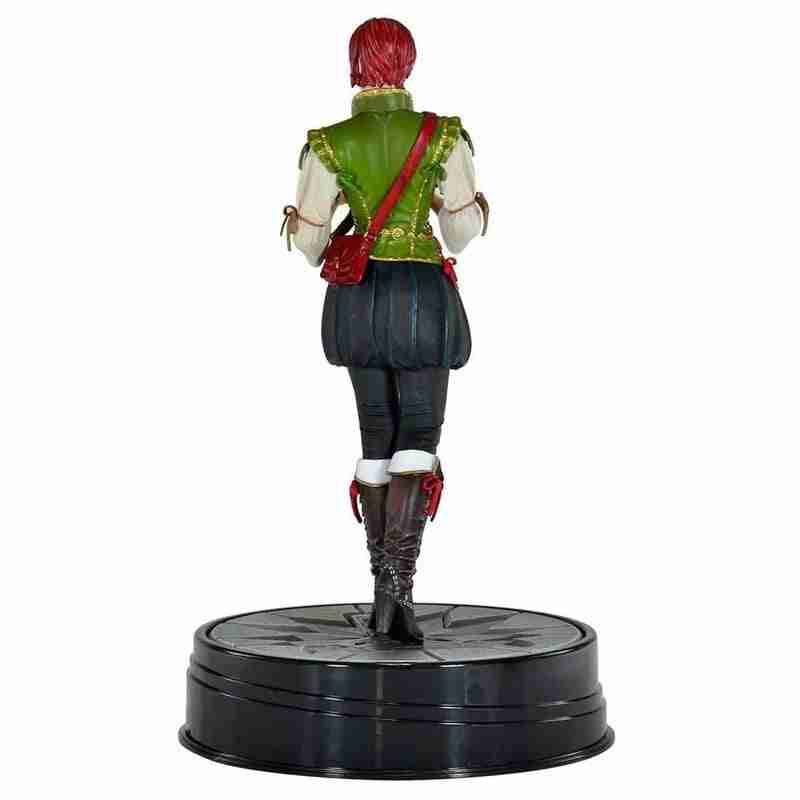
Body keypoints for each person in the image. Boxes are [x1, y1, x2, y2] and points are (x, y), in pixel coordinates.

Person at [283, 17, 486, 642]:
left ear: (355, 65)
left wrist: (347, 214)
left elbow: (310, 243)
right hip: (421, 295)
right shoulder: (443, 135)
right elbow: (461, 233)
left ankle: (383, 591)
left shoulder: (327, 143)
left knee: (376, 432)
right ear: (408, 64)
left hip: (358, 298)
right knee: (418, 432)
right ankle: (398, 589)